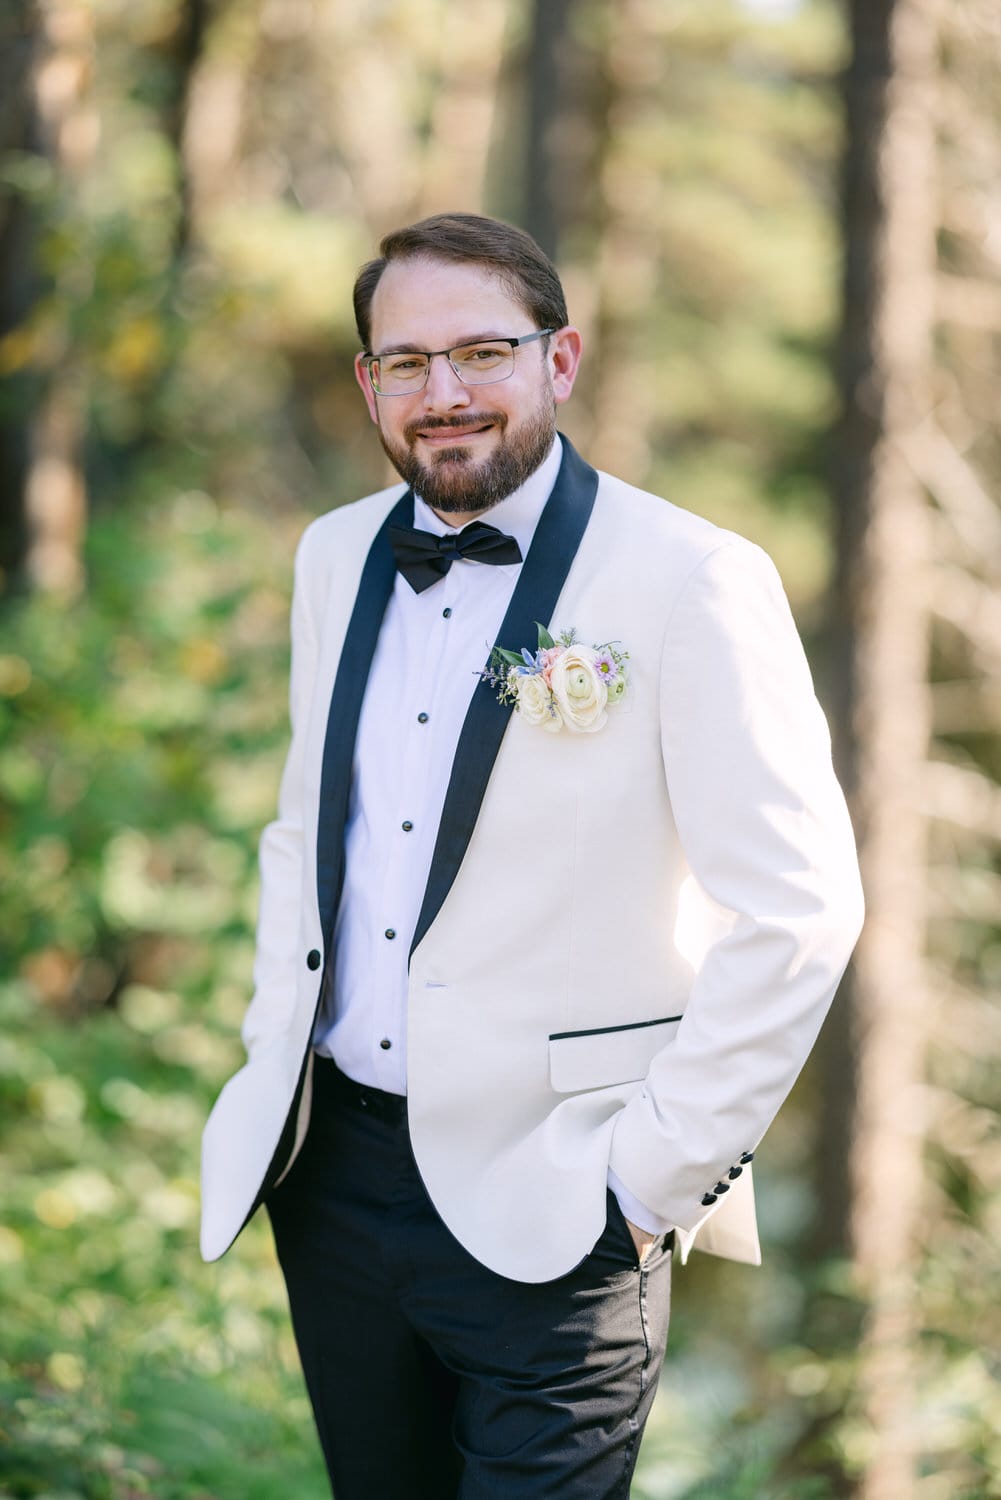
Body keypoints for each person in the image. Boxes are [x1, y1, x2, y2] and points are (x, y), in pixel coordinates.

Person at [200, 212, 864, 1498]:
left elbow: (796, 910)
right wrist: (271, 1045)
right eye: (404, 362)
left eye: (480, 353)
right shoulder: (335, 554)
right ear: (367, 384)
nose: (442, 394)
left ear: (559, 362)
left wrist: (651, 1177)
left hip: (566, 1198)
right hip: (332, 1178)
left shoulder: (693, 579)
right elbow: (306, 829)